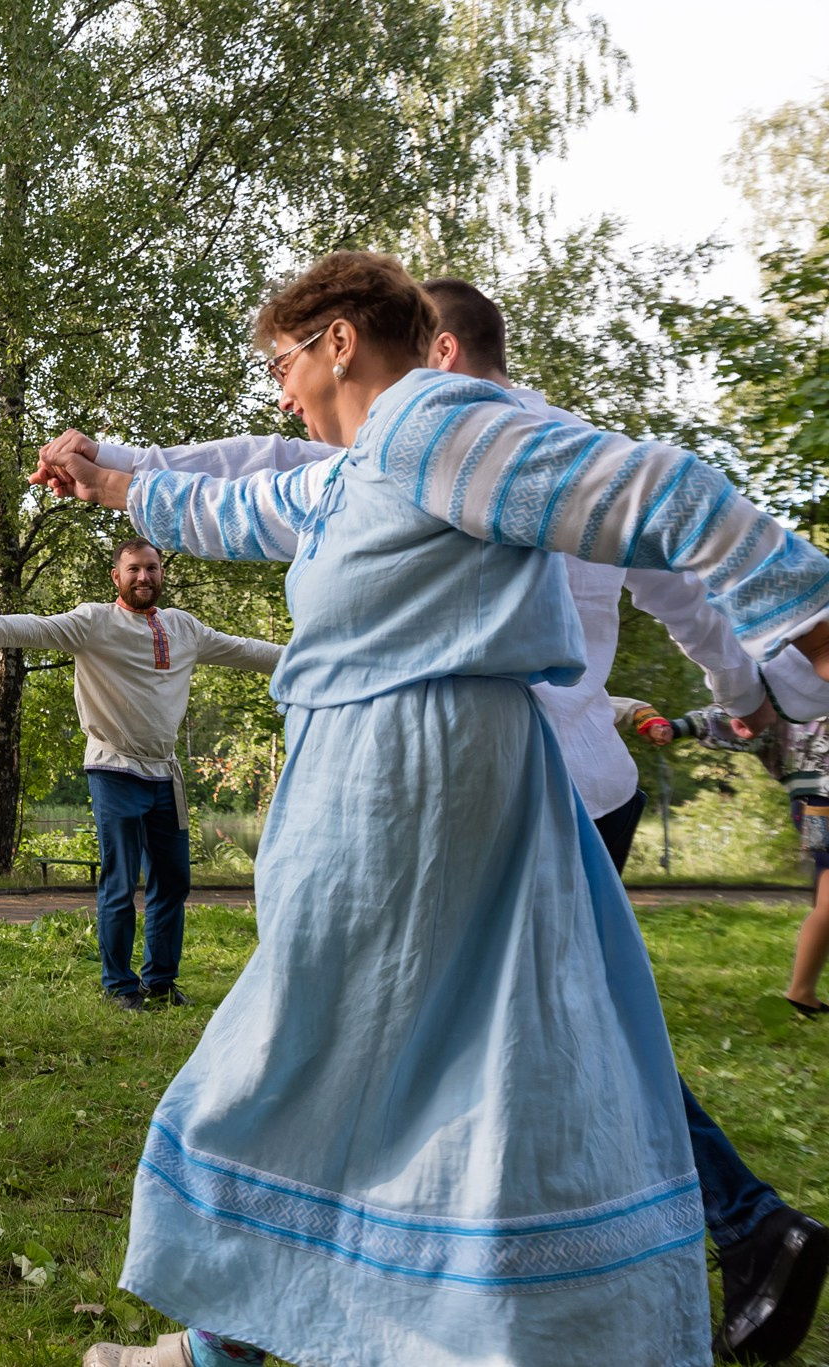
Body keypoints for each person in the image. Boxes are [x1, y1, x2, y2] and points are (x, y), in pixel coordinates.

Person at [40, 251, 829, 1367]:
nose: (277, 392)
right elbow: (245, 499)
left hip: (412, 795)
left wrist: (805, 618)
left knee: (304, 1049)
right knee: (466, 1069)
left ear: (338, 343)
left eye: (280, 363)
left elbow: (656, 489)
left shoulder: (432, 424)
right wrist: (113, 483)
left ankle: (225, 1344)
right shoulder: (367, 464)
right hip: (399, 787)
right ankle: (383, 1328)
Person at [0, 540, 280, 1009]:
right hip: (114, 766)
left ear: (162, 573)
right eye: (134, 569)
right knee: (120, 880)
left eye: (152, 568)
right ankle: (119, 986)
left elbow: (244, 650)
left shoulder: (183, 627)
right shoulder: (95, 621)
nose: (145, 577)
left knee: (173, 879)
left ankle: (159, 982)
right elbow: (38, 628)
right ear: (116, 577)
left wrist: (307, 653)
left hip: (165, 773)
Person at [657, 701, 829, 1019]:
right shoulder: (788, 681)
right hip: (820, 802)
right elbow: (731, 713)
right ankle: (801, 990)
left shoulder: (793, 679)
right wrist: (676, 726)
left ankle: (802, 990)